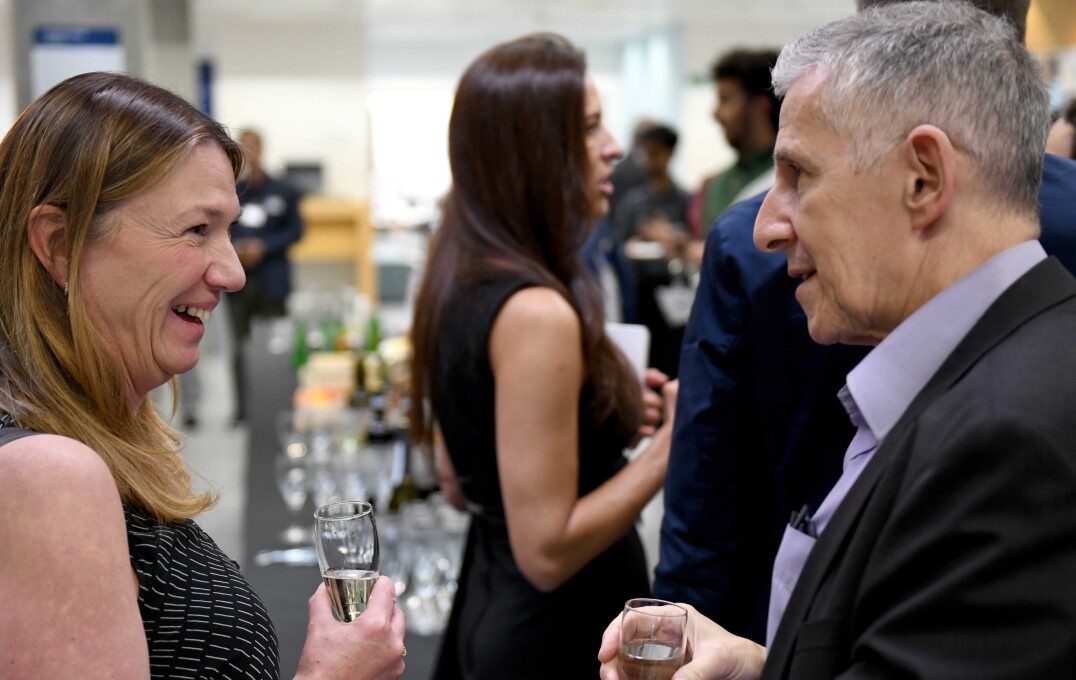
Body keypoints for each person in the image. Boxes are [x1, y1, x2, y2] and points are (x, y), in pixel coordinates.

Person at [605, 2, 1076, 677]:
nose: (766, 226)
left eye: (799, 176)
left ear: (924, 178)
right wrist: (757, 668)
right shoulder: (977, 379)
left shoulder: (1009, 445)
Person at [0, 72, 406, 680]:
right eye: (196, 230)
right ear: (59, 245)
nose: (231, 271)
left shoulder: (89, 438)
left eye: (229, 230)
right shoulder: (45, 478)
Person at [409, 33, 678, 680]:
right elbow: (548, 550)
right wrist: (677, 439)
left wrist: (591, 413)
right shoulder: (537, 311)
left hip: (493, 608)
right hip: (554, 632)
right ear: (533, 153)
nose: (614, 147)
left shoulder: (458, 279)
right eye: (589, 128)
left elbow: (459, 480)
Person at [228, 128, 304, 424]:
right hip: (239, 280)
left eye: (253, 147)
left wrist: (265, 246)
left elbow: (296, 231)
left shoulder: (283, 190)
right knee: (240, 346)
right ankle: (243, 410)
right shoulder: (233, 191)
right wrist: (237, 248)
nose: (249, 154)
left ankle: (278, 402)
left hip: (272, 278)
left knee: (277, 342)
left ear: (262, 149)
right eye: (243, 148)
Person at [689, 48, 782, 238]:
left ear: (760, 106)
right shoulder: (715, 186)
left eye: (726, 100)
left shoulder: (789, 178)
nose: (715, 113)